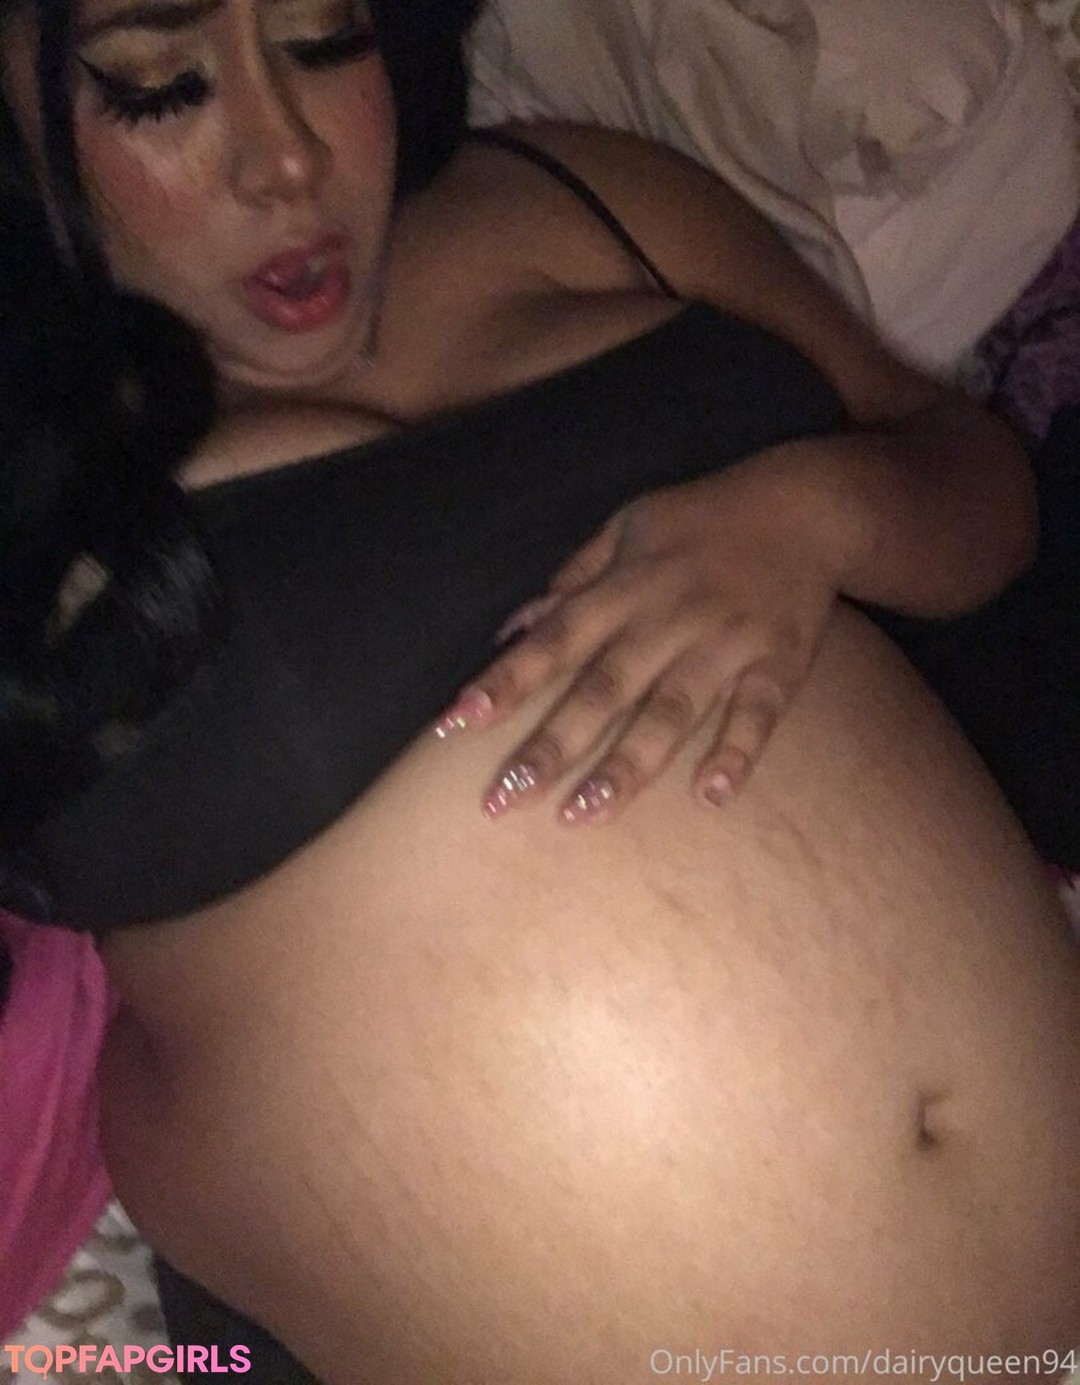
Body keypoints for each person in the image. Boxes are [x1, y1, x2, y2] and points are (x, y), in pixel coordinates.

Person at [0, 0, 1077, 1379]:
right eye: (159, 87)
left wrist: (816, 516)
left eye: (325, 38)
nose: (287, 159)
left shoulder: (575, 191)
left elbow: (973, 479)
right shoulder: (36, 482)